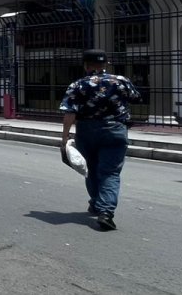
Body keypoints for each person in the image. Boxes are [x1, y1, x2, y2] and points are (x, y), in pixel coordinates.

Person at [59, 49, 142, 231]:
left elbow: (70, 112)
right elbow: (136, 98)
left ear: (85, 65)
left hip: (87, 130)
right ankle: (106, 212)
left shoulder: (78, 85)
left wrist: (64, 138)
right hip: (115, 129)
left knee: (91, 169)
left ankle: (97, 202)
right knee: (110, 172)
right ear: (106, 64)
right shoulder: (120, 81)